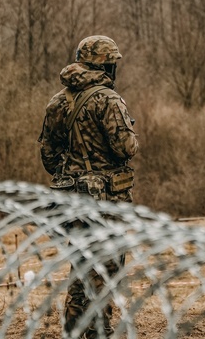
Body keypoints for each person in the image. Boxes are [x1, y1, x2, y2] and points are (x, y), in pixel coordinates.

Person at [38, 35, 138, 338]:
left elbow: (47, 154)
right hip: (106, 201)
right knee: (105, 271)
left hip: (71, 201)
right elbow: (125, 148)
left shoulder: (57, 102)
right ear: (106, 65)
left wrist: (73, 173)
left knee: (81, 268)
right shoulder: (108, 100)